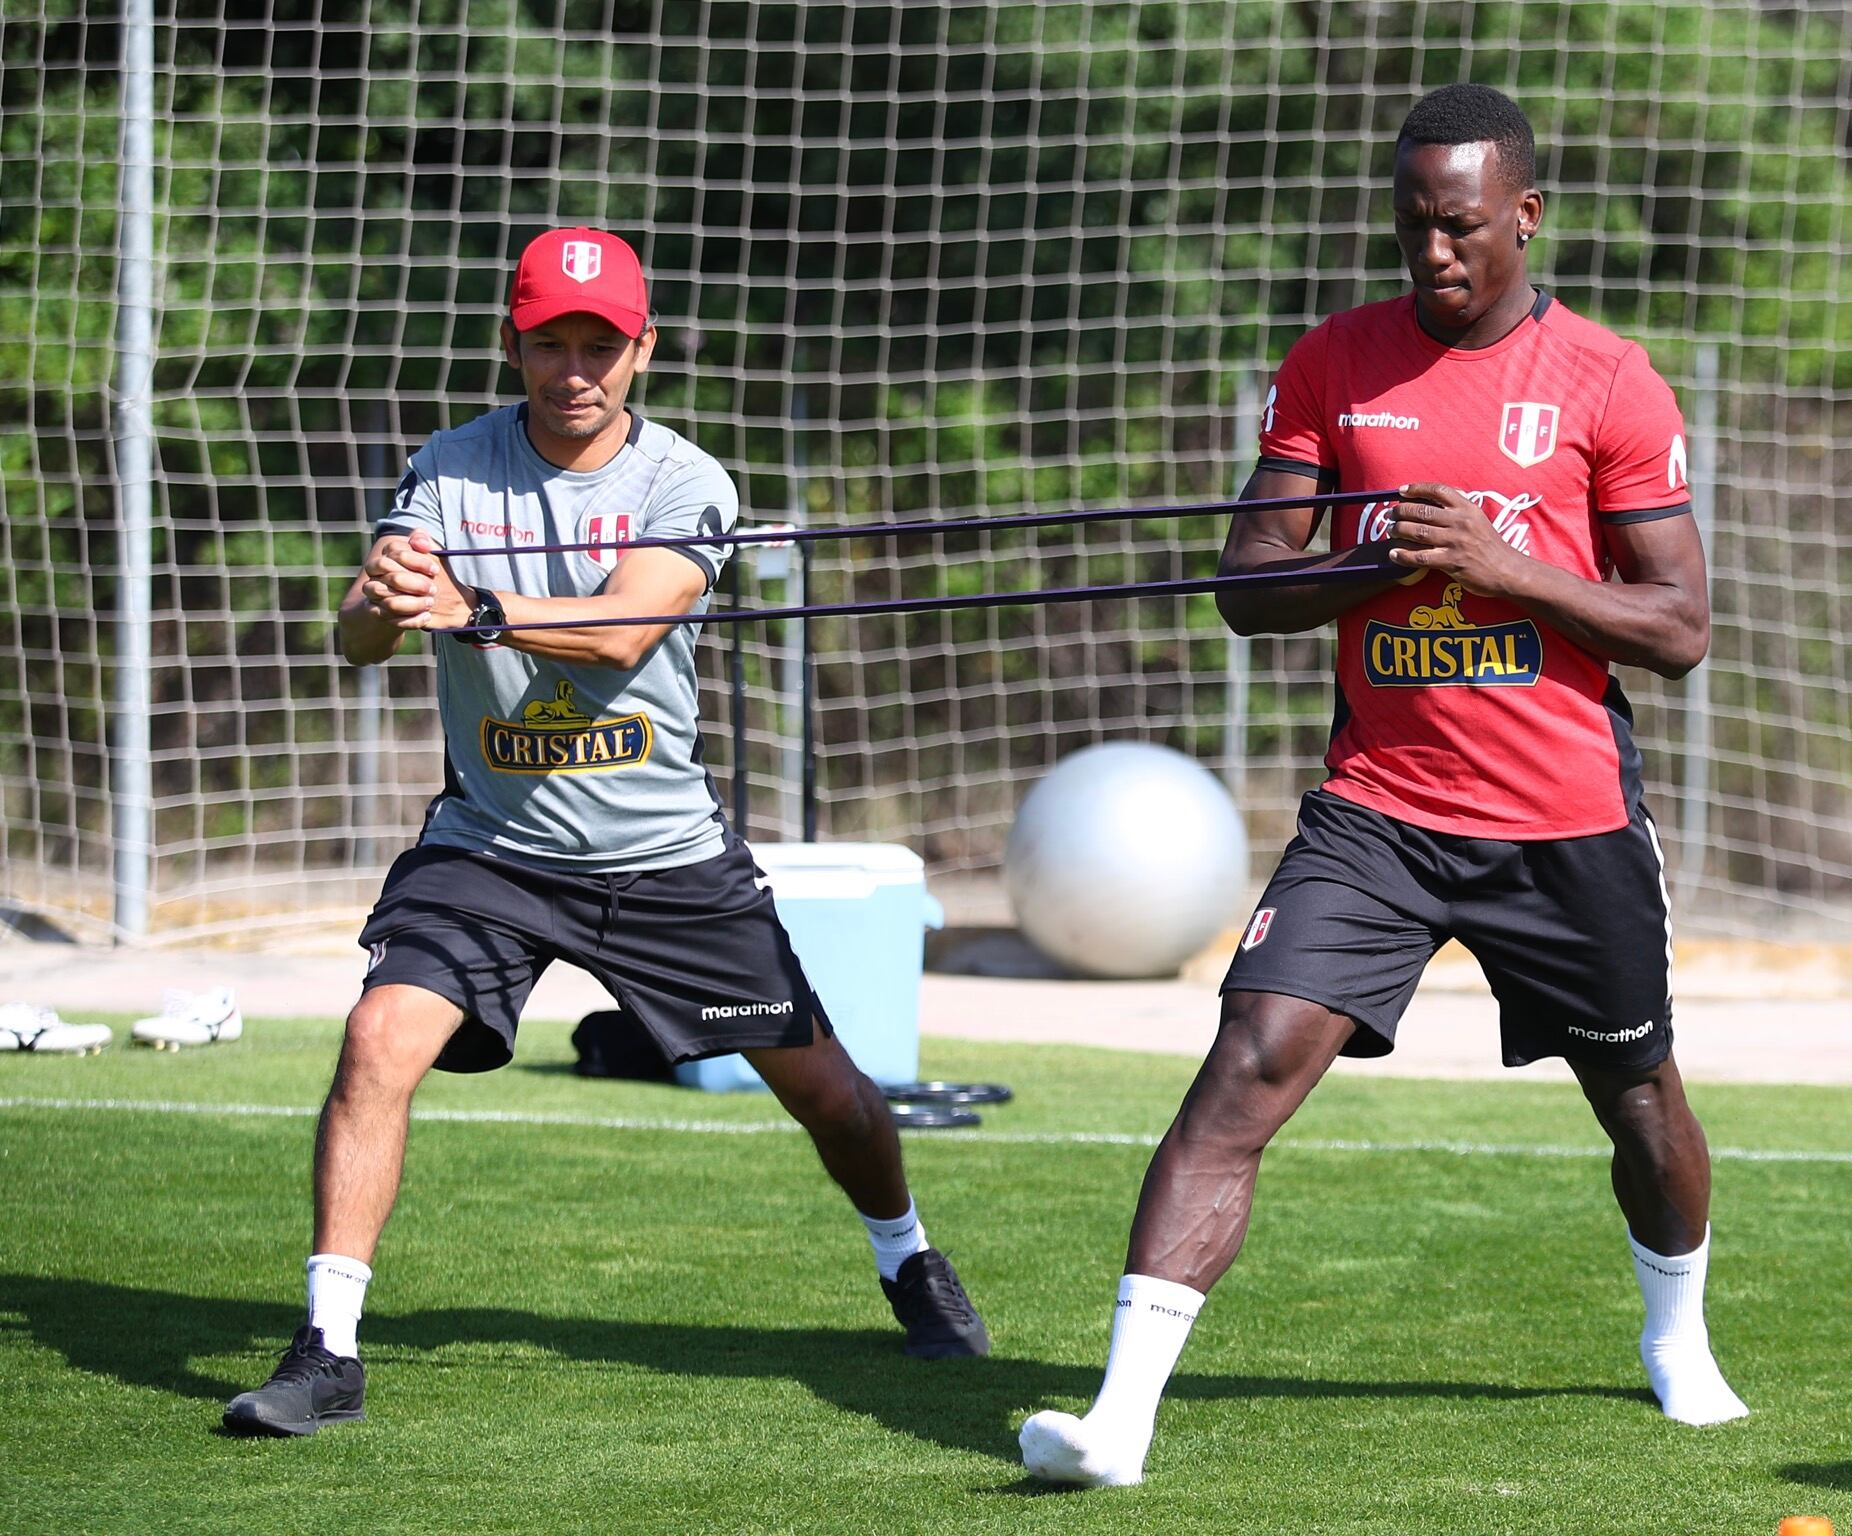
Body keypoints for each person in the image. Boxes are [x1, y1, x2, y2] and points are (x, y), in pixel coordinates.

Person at [1020, 84, 1745, 1488]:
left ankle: (1677, 1340)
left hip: (1563, 823)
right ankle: (1116, 1420)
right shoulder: (1332, 364)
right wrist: (1375, 564)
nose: (1432, 253)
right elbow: (1246, 586)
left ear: (1524, 217)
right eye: (1412, 225)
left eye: (1460, 226)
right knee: (1241, 1067)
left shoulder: (1609, 380)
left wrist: (1504, 568)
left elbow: (1676, 631)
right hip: (1377, 814)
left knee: (1639, 1101)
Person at [223, 227, 987, 1438]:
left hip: (664, 857)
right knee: (377, 1038)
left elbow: (626, 631)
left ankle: (907, 1259)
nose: (572, 368)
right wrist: (377, 606)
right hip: (490, 851)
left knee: (831, 1097)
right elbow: (361, 643)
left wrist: (470, 606)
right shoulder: (446, 473)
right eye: (547, 343)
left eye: (598, 345)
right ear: (510, 344)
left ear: (641, 349)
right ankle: (327, 1350)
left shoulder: (686, 483)